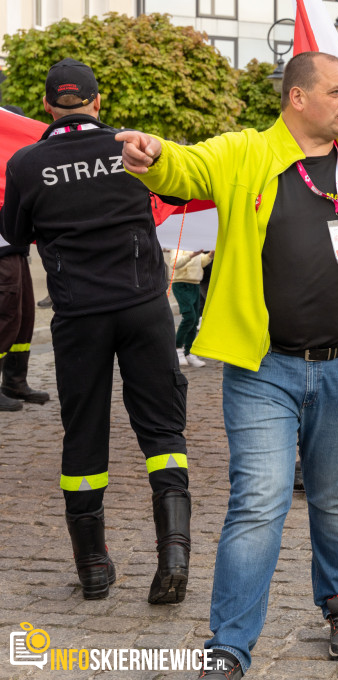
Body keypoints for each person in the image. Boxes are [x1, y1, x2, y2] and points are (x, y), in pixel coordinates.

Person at [118, 51, 338, 677]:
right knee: (257, 501)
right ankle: (229, 643)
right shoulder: (246, 153)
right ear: (298, 99)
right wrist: (154, 155)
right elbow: (187, 165)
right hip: (263, 371)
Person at [0, 58, 191, 604]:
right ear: (98, 102)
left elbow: (13, 236)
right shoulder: (132, 148)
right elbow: (176, 189)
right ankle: (174, 554)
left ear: (45, 107)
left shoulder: (27, 163)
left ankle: (92, 567)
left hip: (80, 314)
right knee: (162, 432)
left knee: (84, 433)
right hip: (144, 306)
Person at [0, 241, 50, 411]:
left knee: (24, 319)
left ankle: (14, 382)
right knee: (5, 318)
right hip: (2, 251)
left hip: (15, 248)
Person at [163, 248, 214, 368]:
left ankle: (188, 352)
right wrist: (192, 255)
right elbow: (175, 264)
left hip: (195, 283)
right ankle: (177, 348)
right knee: (189, 316)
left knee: (195, 319)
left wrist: (210, 256)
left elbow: (201, 262)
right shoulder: (178, 247)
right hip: (181, 284)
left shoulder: (194, 247)